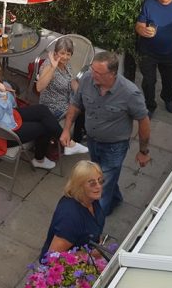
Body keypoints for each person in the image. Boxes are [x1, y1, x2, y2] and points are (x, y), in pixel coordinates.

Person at [61, 52, 150, 215]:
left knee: (99, 187)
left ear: (112, 74)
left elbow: (143, 121)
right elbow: (75, 105)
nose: (92, 75)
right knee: (104, 177)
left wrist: (143, 151)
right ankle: (115, 199)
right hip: (93, 142)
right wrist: (66, 130)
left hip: (114, 148)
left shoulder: (130, 93)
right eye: (92, 69)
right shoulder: (87, 79)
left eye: (98, 73)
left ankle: (95, 225)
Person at [0, 55, 83, 171]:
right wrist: (2, 93)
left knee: (41, 109)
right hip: (2, 134)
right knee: (45, 126)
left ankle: (67, 142)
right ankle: (40, 159)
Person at [40, 160, 106, 257]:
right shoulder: (70, 218)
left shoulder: (91, 198)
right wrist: (89, 255)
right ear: (79, 185)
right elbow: (53, 256)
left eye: (100, 181)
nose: (98, 186)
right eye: (92, 183)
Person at [37, 37, 79, 121]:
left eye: (68, 54)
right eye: (62, 53)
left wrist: (80, 91)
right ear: (55, 53)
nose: (65, 57)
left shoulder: (66, 64)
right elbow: (39, 88)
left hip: (67, 101)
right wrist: (53, 67)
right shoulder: (49, 65)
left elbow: (70, 80)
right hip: (54, 108)